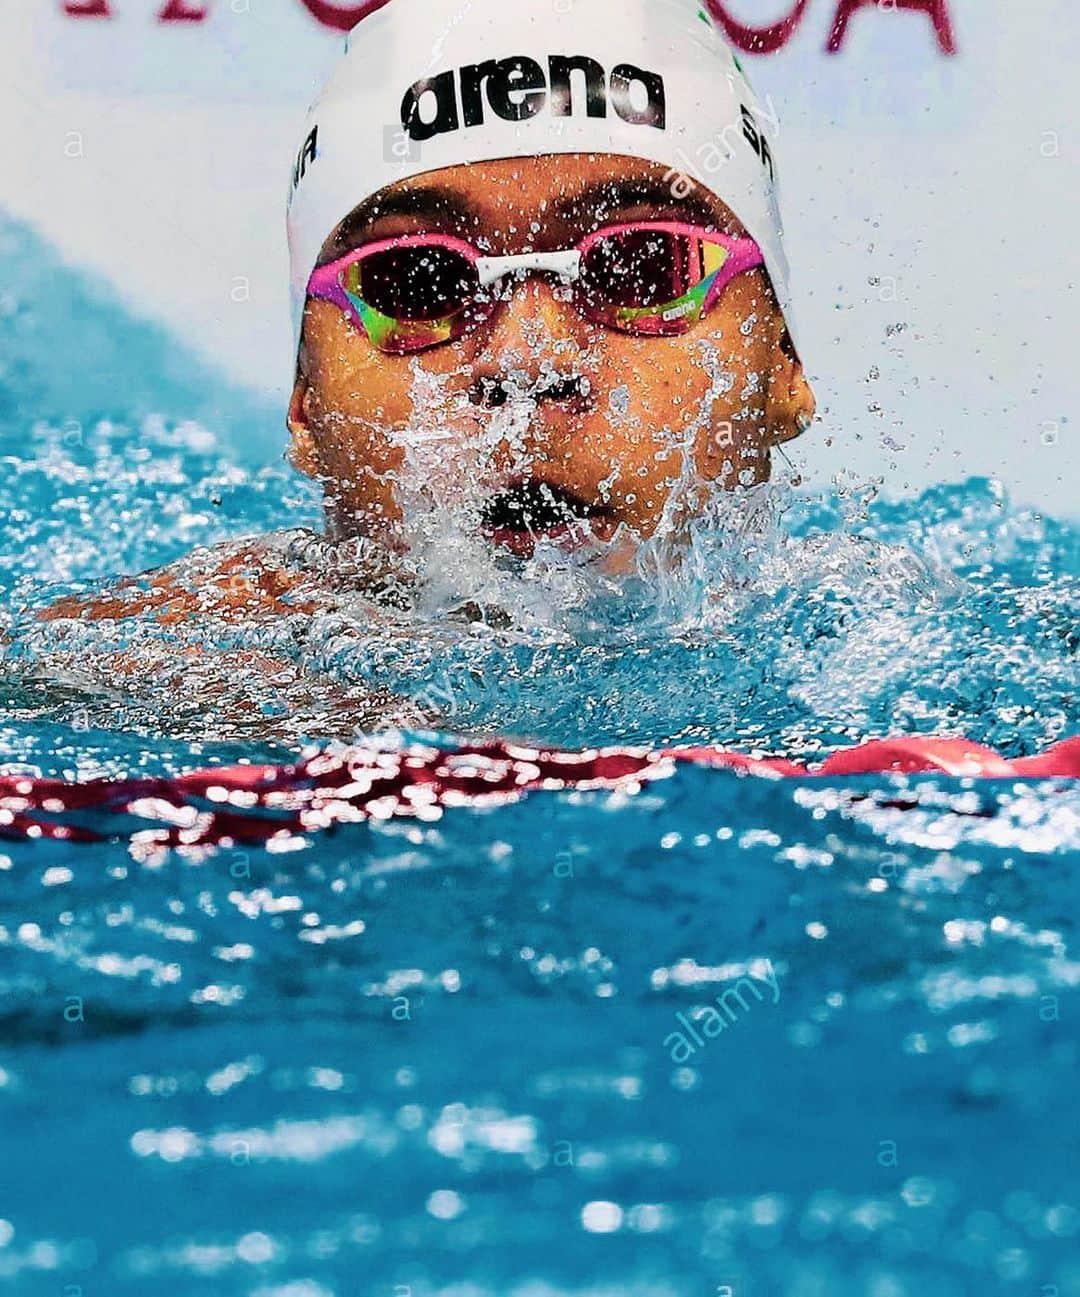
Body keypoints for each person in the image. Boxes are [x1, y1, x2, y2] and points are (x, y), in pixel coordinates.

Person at [38, 0, 815, 733]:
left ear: (784, 363)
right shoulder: (129, 677)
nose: (527, 361)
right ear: (305, 398)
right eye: (418, 281)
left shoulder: (891, 648)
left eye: (642, 267)